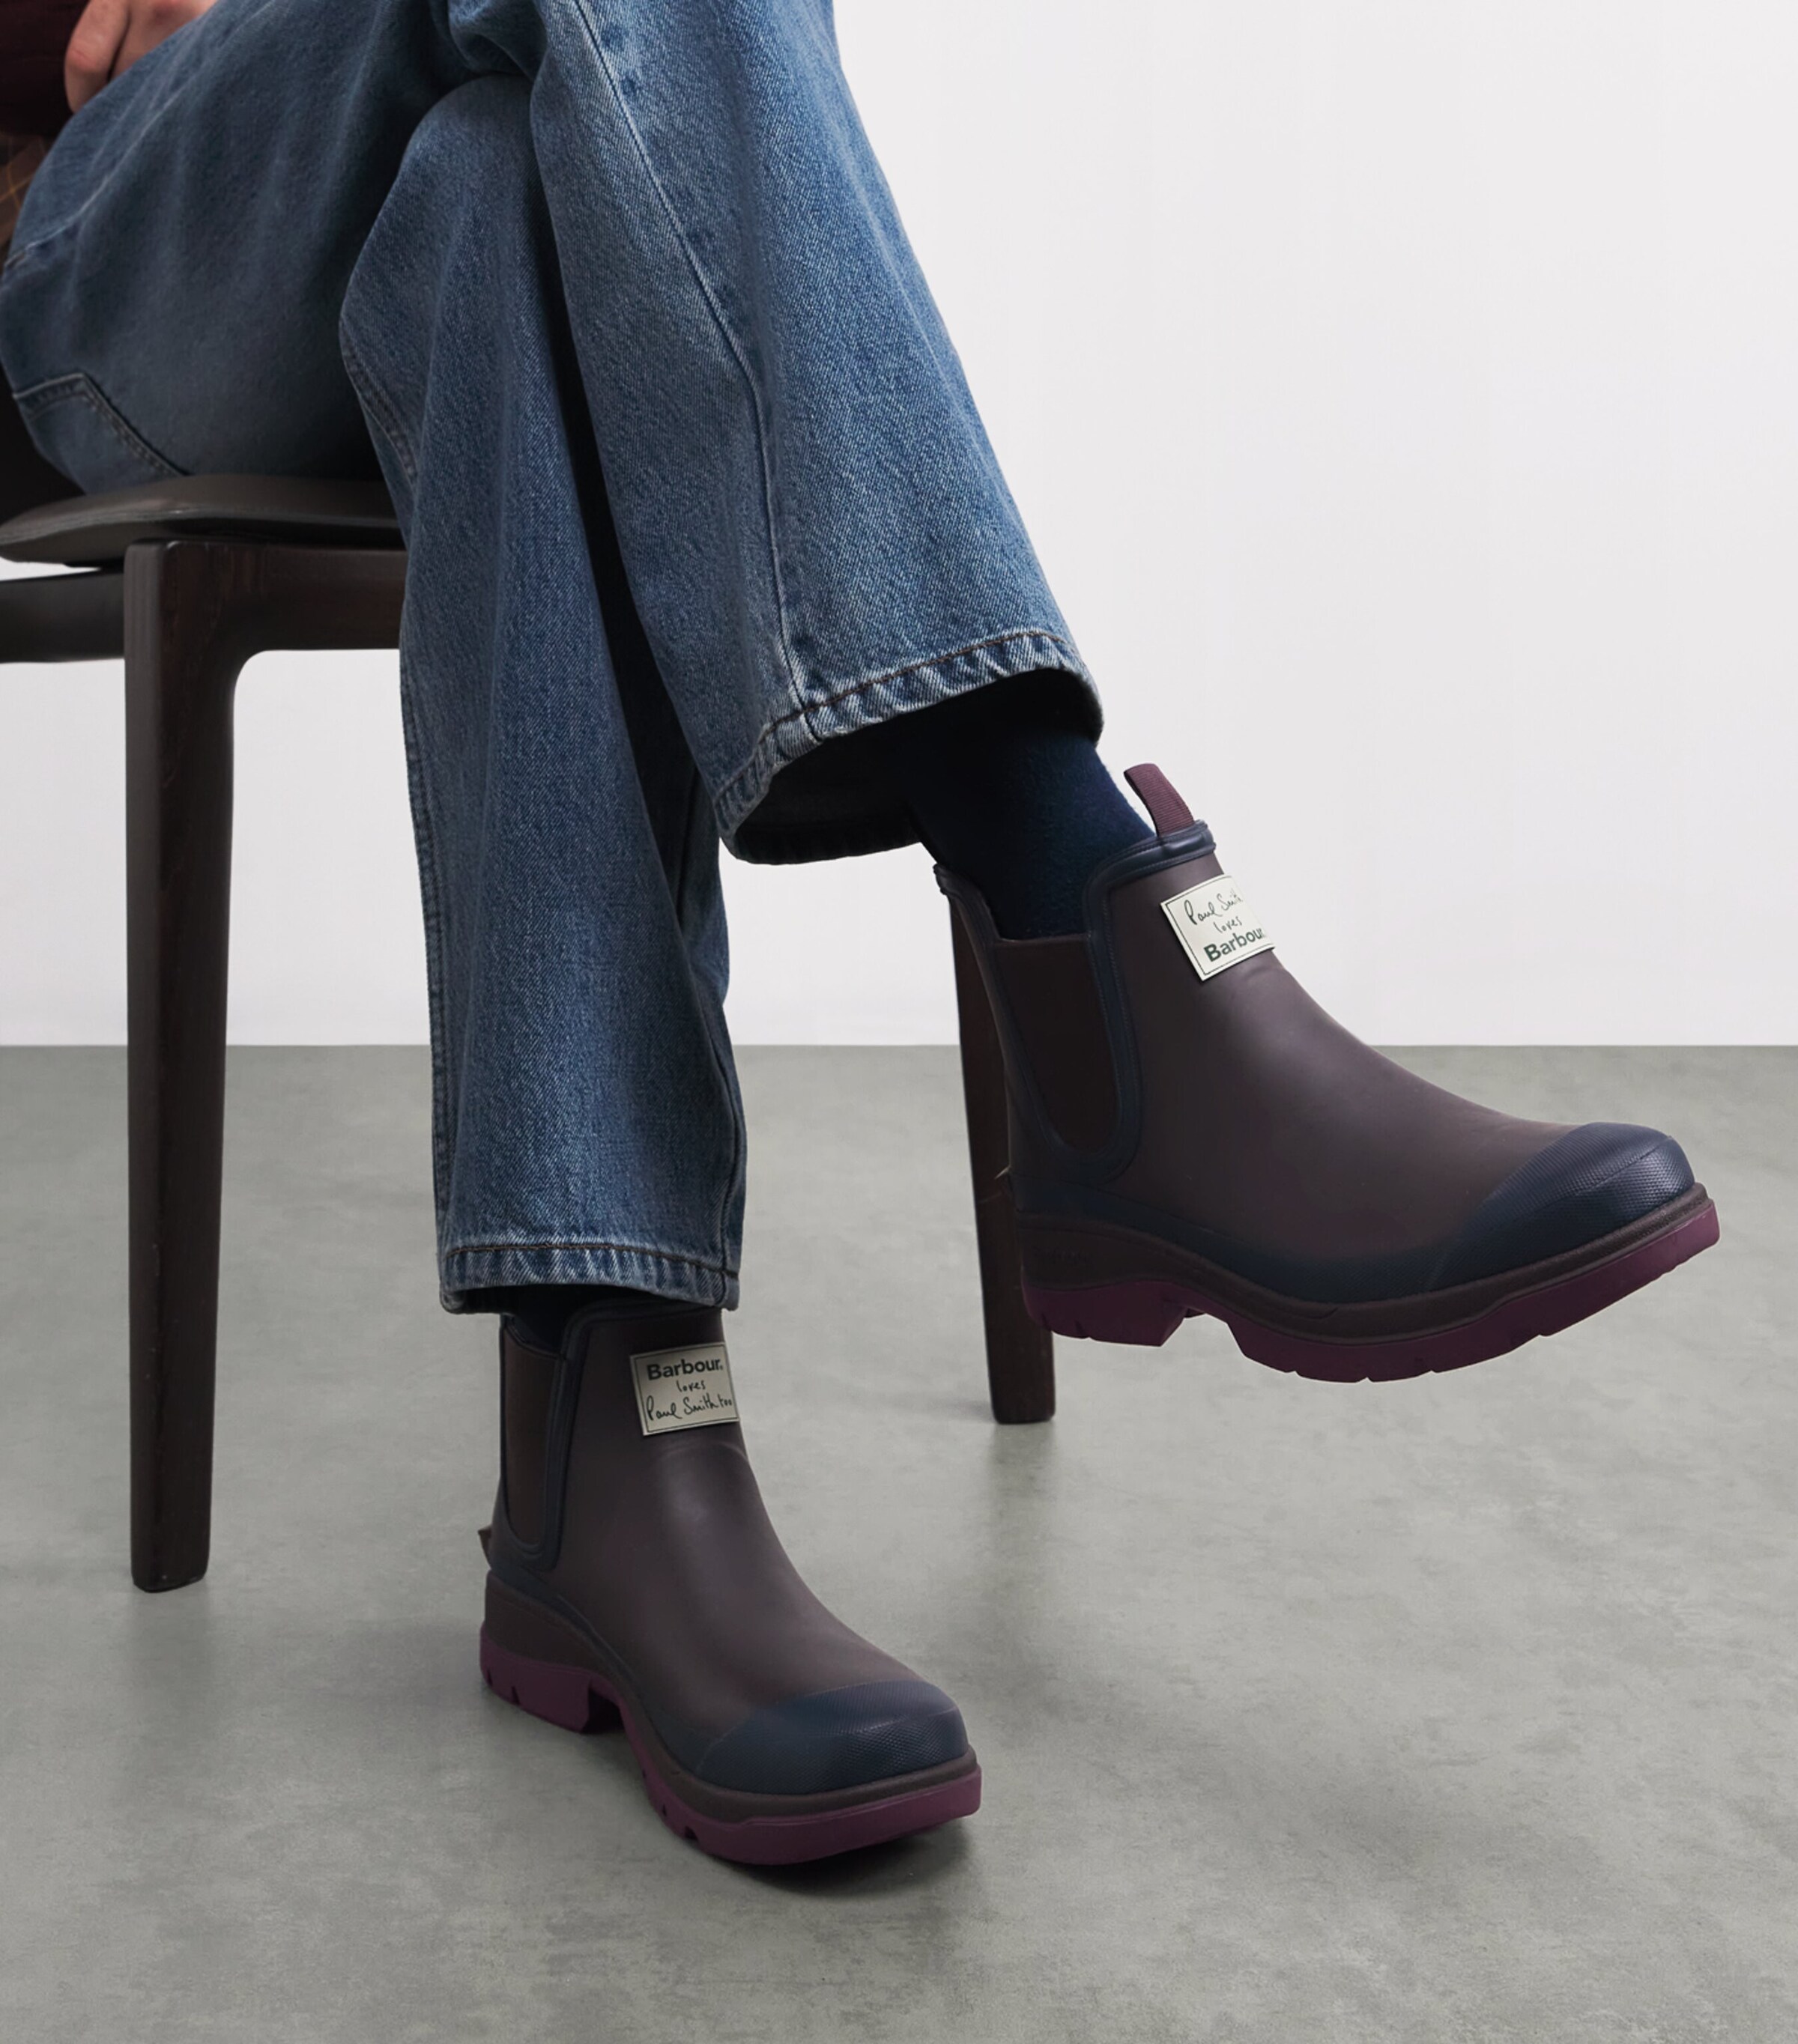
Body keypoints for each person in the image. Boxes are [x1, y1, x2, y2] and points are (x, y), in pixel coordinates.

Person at [0, 0, 1719, 1867]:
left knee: (489, 194)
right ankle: (1084, 930)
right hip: (89, 267)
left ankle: (611, 1423)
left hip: (405, 147)